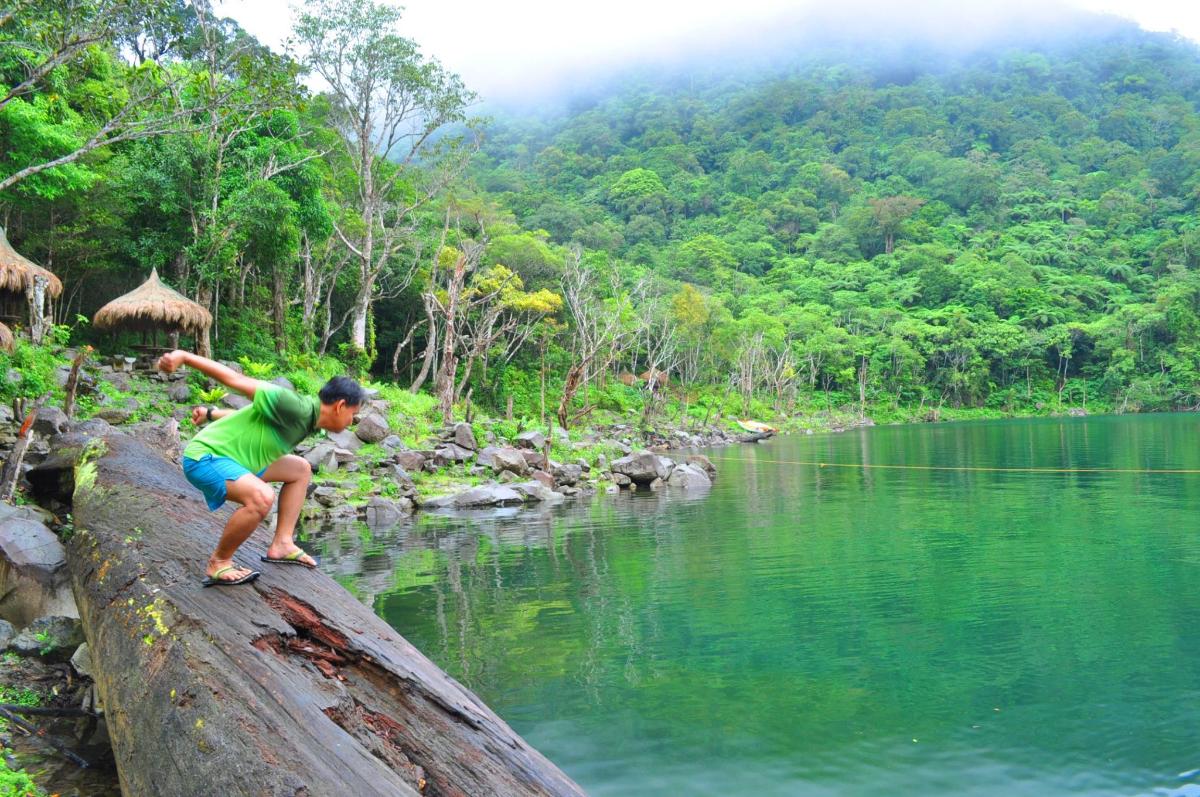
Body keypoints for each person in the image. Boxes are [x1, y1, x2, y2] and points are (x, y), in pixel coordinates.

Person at [156, 350, 365, 587]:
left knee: (300, 469)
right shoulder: (294, 406)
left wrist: (211, 413)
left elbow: (251, 415)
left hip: (237, 460)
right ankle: (219, 562)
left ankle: (282, 544)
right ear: (340, 406)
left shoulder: (310, 419)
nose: (352, 422)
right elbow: (236, 381)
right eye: (353, 414)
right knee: (262, 497)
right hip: (205, 458)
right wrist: (185, 357)